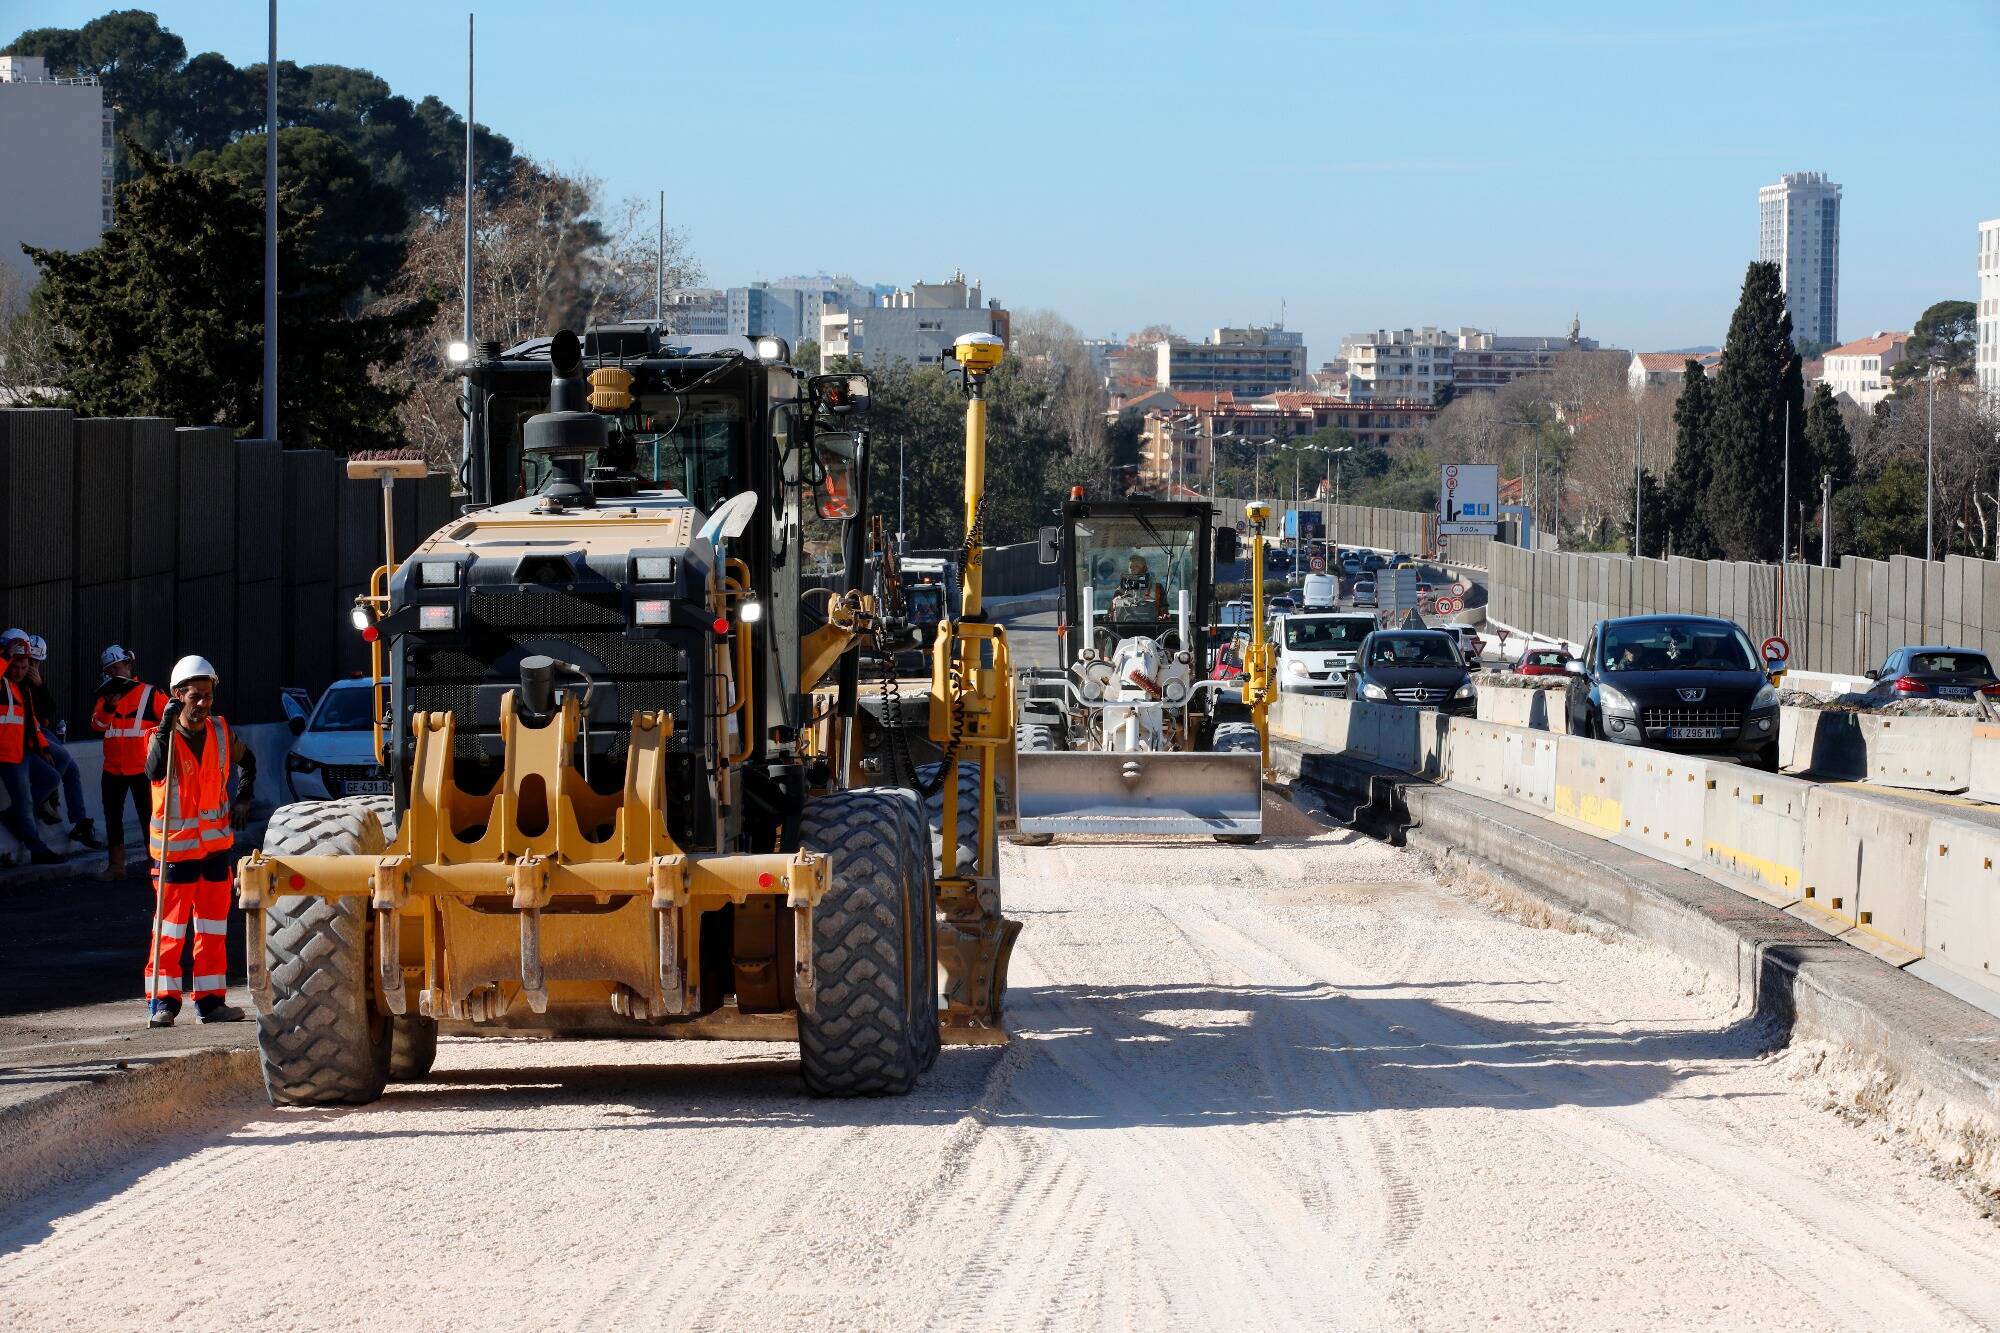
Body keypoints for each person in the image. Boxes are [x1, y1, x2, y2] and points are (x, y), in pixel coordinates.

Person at [143, 655, 257, 1027]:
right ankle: (163, 1003)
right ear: (177, 695)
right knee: (170, 931)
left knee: (212, 930)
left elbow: (248, 761)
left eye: (208, 695)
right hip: (175, 852)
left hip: (215, 850)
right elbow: (153, 770)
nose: (204, 703)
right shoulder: (160, 736)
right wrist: (165, 724)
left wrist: (243, 798)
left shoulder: (221, 731)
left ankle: (210, 1003)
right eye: (196, 696)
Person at [18, 634, 100, 849]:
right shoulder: (16, 677)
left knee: (72, 769)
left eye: (36, 663)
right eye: (30, 662)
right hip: (27, 730)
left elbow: (49, 709)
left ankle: (79, 821)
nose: (32, 667)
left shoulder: (35, 680)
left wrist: (40, 686)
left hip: (41, 728)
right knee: (61, 758)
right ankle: (45, 800)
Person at [90, 645, 163, 882]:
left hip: (143, 768)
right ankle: (116, 867)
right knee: (113, 817)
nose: (113, 674)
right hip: (112, 768)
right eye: (109, 671)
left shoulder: (151, 693)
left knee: (149, 818)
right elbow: (97, 726)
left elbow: (171, 720)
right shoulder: (106, 697)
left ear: (128, 666)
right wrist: (110, 706)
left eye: (117, 668)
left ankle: (156, 865)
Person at [0, 640, 62, 864]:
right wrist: (6, 656)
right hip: (7, 754)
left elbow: (32, 723)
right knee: (25, 800)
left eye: (24, 667)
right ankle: (37, 849)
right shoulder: (3, 684)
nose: (19, 672)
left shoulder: (23, 689)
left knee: (52, 778)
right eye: (15, 667)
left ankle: (11, 817)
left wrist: (44, 747)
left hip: (22, 751)